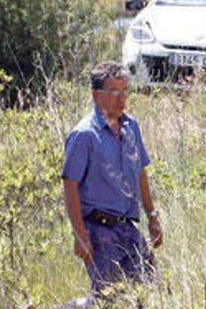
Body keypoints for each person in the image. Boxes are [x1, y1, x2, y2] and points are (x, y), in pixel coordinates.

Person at [62, 61, 162, 297]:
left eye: (124, 91)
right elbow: (70, 185)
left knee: (147, 296)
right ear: (96, 96)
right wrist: (80, 236)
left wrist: (152, 215)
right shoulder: (84, 134)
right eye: (114, 92)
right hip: (99, 231)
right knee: (109, 301)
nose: (121, 99)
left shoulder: (131, 127)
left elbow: (140, 172)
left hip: (129, 228)